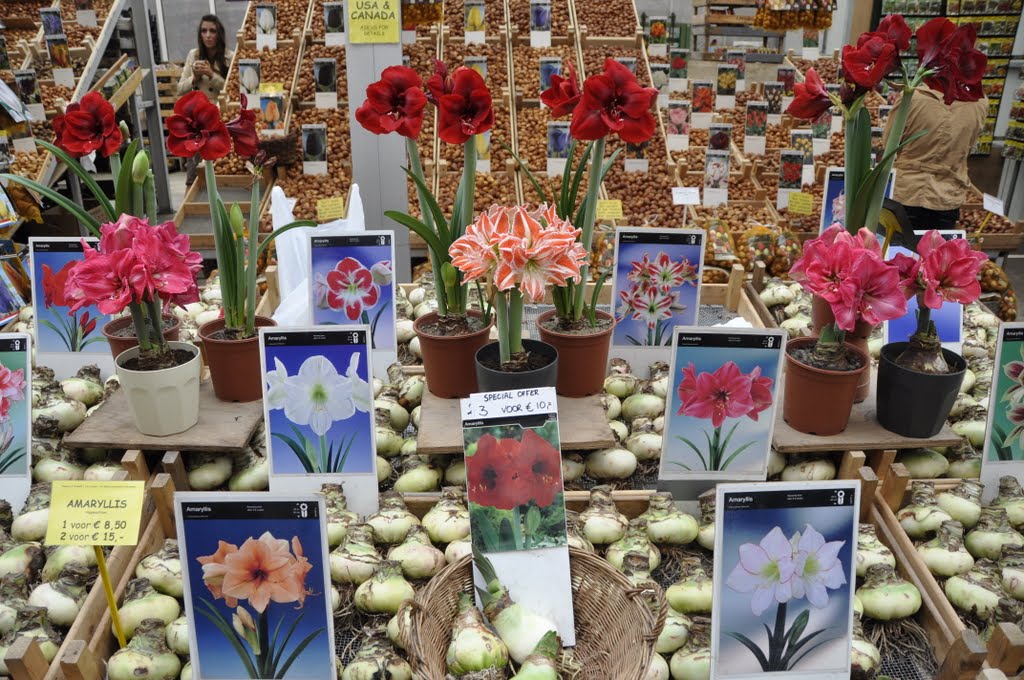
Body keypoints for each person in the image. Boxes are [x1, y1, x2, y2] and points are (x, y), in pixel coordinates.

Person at [882, 84, 988, 232]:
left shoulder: (912, 97)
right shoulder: (979, 103)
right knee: (936, 245)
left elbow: (889, 144)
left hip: (906, 190)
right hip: (948, 195)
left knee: (896, 244)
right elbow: (969, 147)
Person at [177, 15, 233, 184]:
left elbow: (232, 89)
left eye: (212, 31)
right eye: (204, 31)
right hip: (197, 122)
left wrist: (211, 75)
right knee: (194, 170)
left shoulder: (229, 57)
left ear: (219, 34)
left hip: (220, 119)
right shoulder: (194, 55)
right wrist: (194, 78)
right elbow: (180, 89)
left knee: (221, 166)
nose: (208, 35)